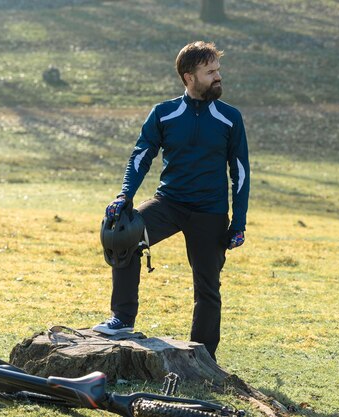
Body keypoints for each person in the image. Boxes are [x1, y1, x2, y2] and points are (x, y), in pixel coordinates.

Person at [93, 41, 250, 361]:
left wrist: (239, 222)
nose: (218, 77)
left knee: (207, 287)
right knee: (124, 234)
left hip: (210, 212)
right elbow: (140, 156)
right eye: (210, 72)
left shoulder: (230, 118)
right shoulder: (164, 114)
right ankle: (122, 319)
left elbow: (241, 172)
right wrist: (126, 195)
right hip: (170, 203)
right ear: (188, 77)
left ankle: (202, 355)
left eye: (218, 70)